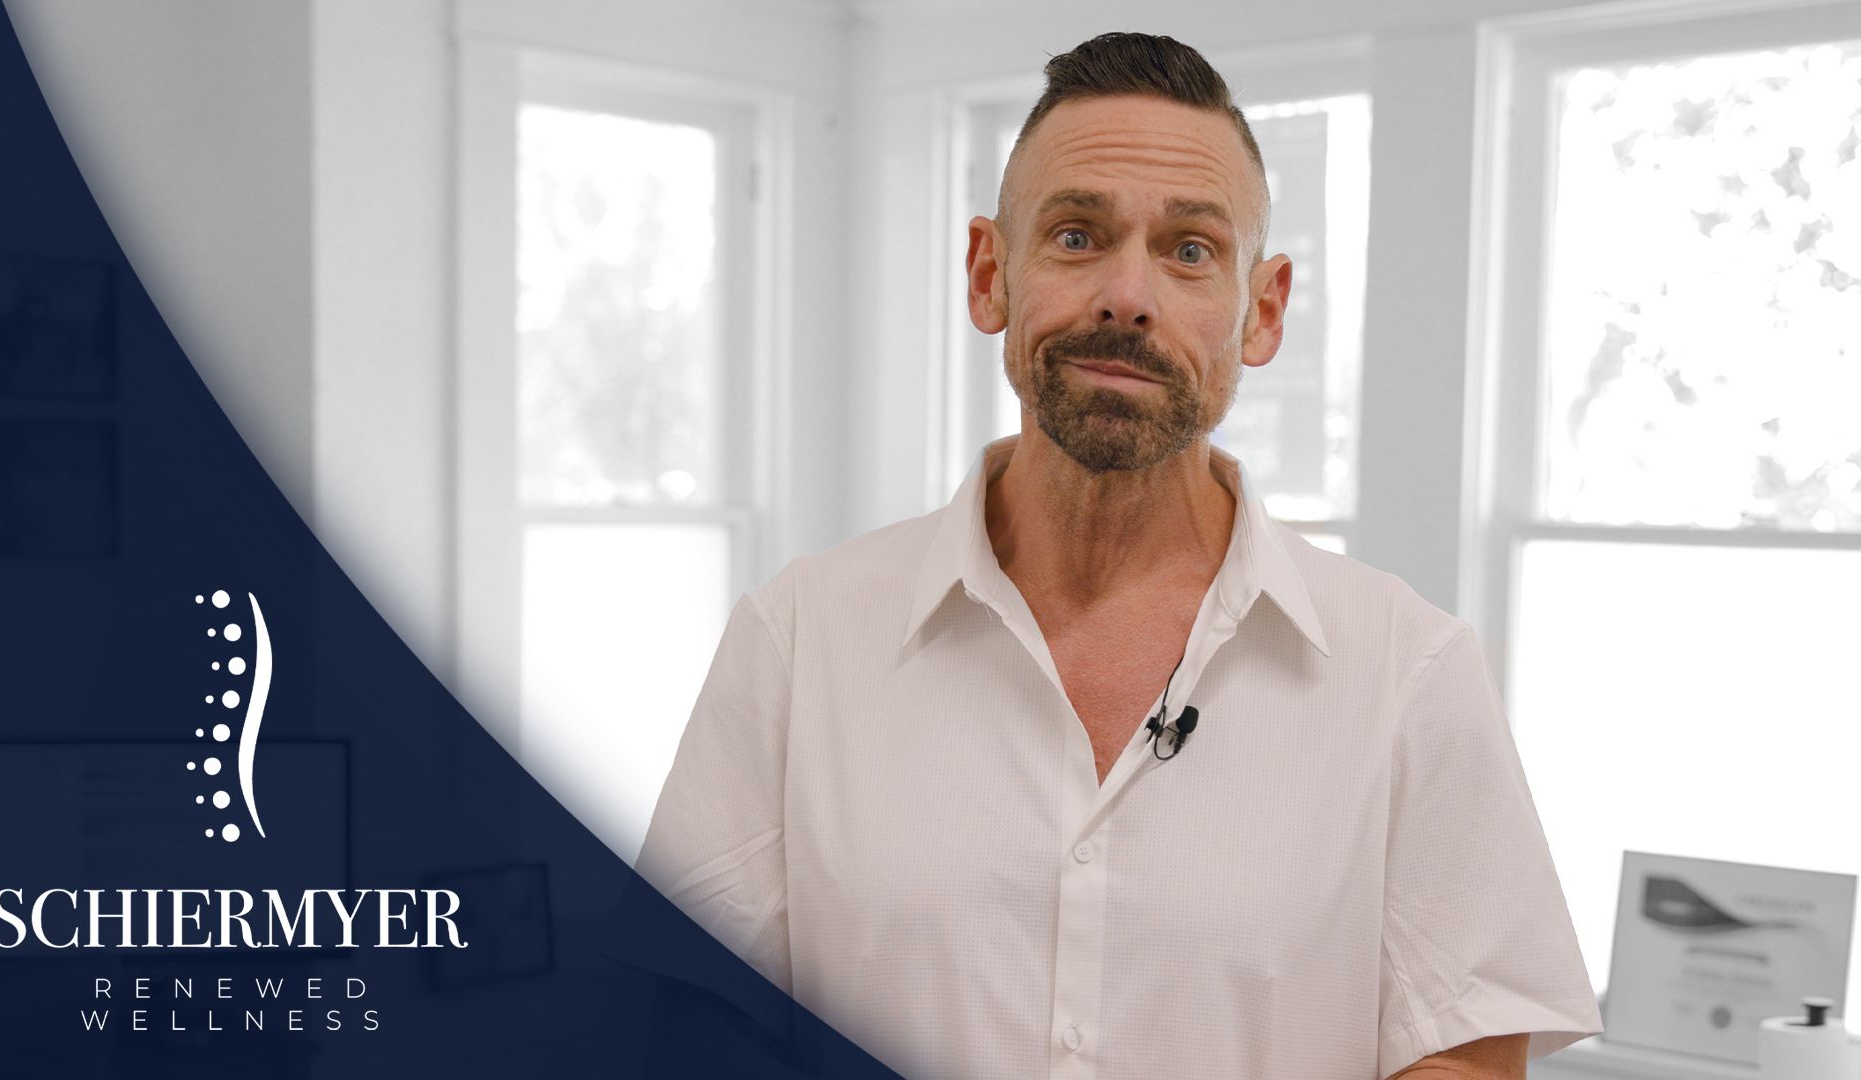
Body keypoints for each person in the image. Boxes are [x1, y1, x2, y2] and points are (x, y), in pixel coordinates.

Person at [635, 31, 1602, 1079]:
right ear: (989, 275)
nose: (1127, 295)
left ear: (1261, 310)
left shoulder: (1409, 672)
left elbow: (1464, 1057)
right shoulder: (798, 639)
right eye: (1077, 234)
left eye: (1190, 250)